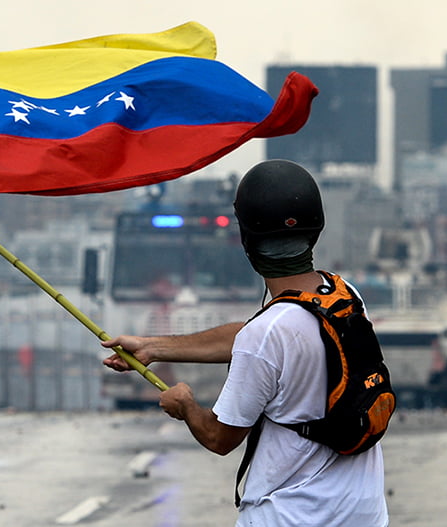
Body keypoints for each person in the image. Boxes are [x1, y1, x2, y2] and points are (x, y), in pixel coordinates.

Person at [102, 159, 389, 526]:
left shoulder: (267, 335)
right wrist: (154, 347)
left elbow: (219, 437)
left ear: (247, 239)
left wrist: (185, 404)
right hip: (362, 515)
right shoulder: (344, 296)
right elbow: (260, 336)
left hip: (291, 517)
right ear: (315, 227)